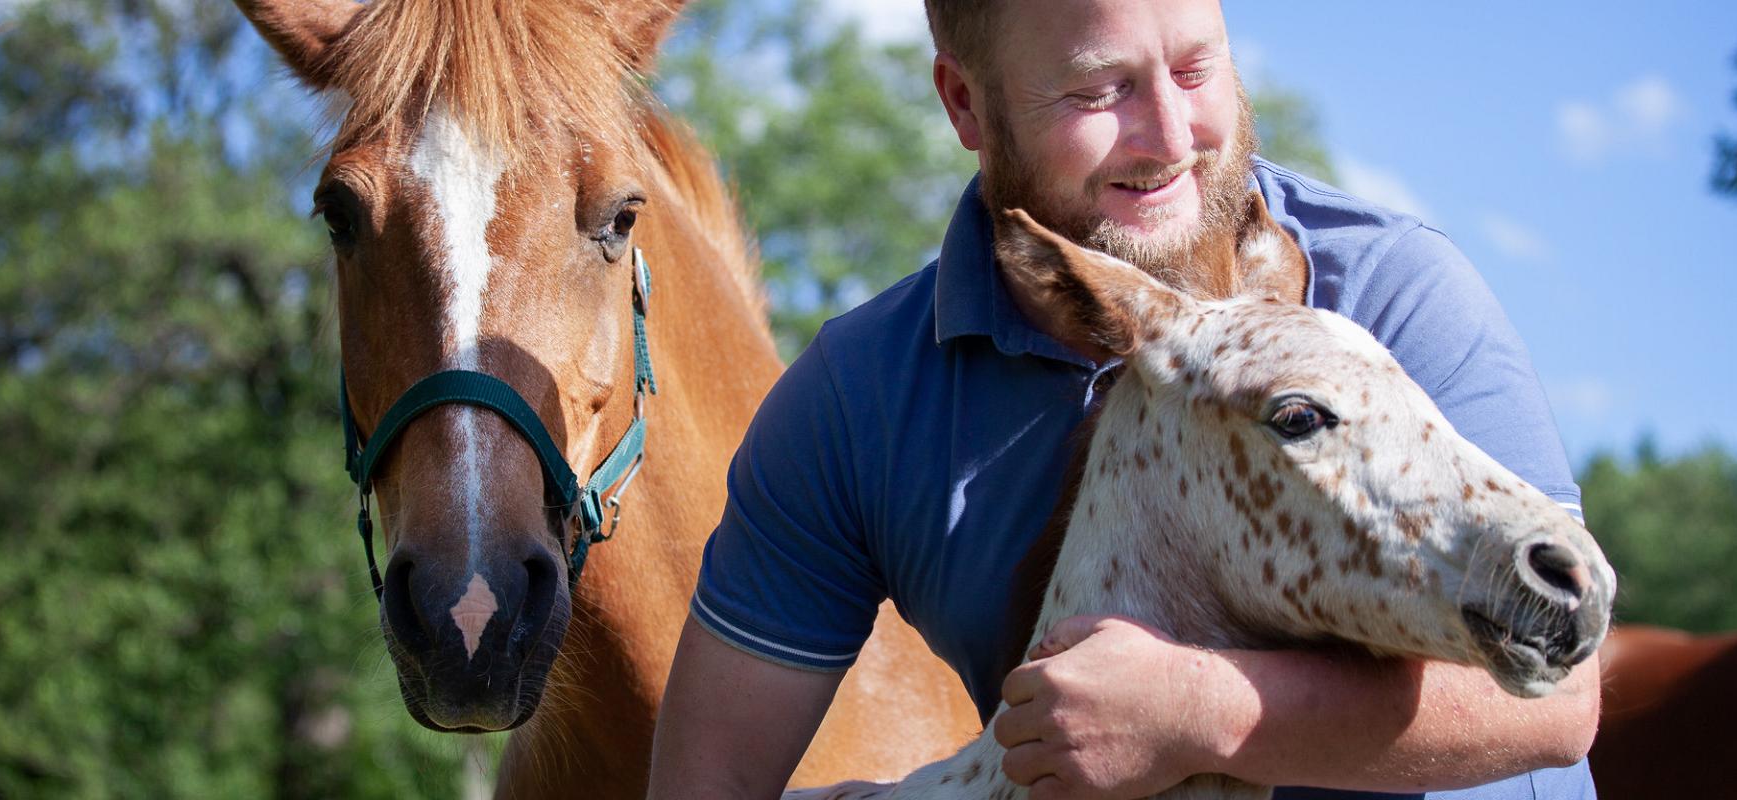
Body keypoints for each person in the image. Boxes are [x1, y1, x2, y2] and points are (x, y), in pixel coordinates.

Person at [648, 0, 1601, 797]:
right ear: (966, 105)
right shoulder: (860, 400)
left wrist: (1197, 711)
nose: (1173, 140)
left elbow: (1562, 691)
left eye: (1196, 69)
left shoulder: (1390, 292)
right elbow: (708, 782)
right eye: (1102, 90)